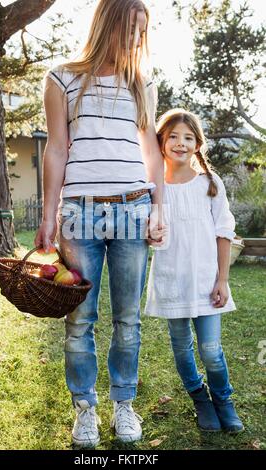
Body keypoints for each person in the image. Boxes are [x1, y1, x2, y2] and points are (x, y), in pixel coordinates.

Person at [35, 0, 165, 448]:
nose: (135, 40)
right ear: (108, 22)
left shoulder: (140, 83)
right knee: (80, 319)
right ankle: (85, 409)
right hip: (79, 212)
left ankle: (123, 404)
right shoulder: (61, 78)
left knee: (128, 319)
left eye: (141, 32)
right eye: (130, 28)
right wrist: (49, 213)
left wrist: (159, 208)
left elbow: (151, 153)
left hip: (132, 208)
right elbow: (56, 148)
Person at [145, 108, 244, 433]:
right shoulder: (152, 188)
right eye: (172, 136)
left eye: (188, 137)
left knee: (211, 350)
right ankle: (200, 400)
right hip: (172, 280)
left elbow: (223, 231)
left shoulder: (210, 184)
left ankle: (223, 400)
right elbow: (149, 234)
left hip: (206, 281)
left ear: (197, 144)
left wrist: (222, 280)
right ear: (161, 141)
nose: (180, 143)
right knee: (182, 346)